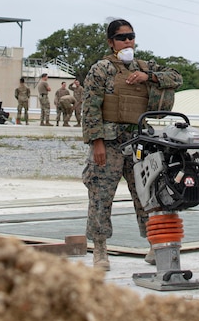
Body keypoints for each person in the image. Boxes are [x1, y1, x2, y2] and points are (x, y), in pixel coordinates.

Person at [78, 18, 184, 272]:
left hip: (139, 142)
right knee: (101, 195)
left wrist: (148, 76)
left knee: (148, 194)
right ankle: (100, 249)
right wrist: (97, 143)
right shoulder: (101, 69)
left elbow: (176, 78)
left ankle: (154, 244)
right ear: (111, 42)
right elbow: (90, 108)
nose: (127, 41)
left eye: (131, 36)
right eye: (121, 37)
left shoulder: (144, 66)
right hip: (111, 142)